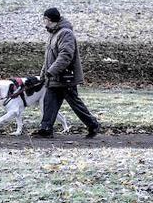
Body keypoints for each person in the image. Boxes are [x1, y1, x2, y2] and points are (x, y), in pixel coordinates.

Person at [33, 8, 102, 139]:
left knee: (74, 103)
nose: (44, 22)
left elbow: (65, 56)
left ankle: (93, 125)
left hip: (65, 77)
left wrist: (51, 71)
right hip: (55, 77)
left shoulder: (65, 34)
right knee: (49, 102)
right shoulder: (54, 34)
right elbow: (49, 58)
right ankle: (45, 129)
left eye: (45, 19)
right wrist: (44, 74)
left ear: (50, 20)